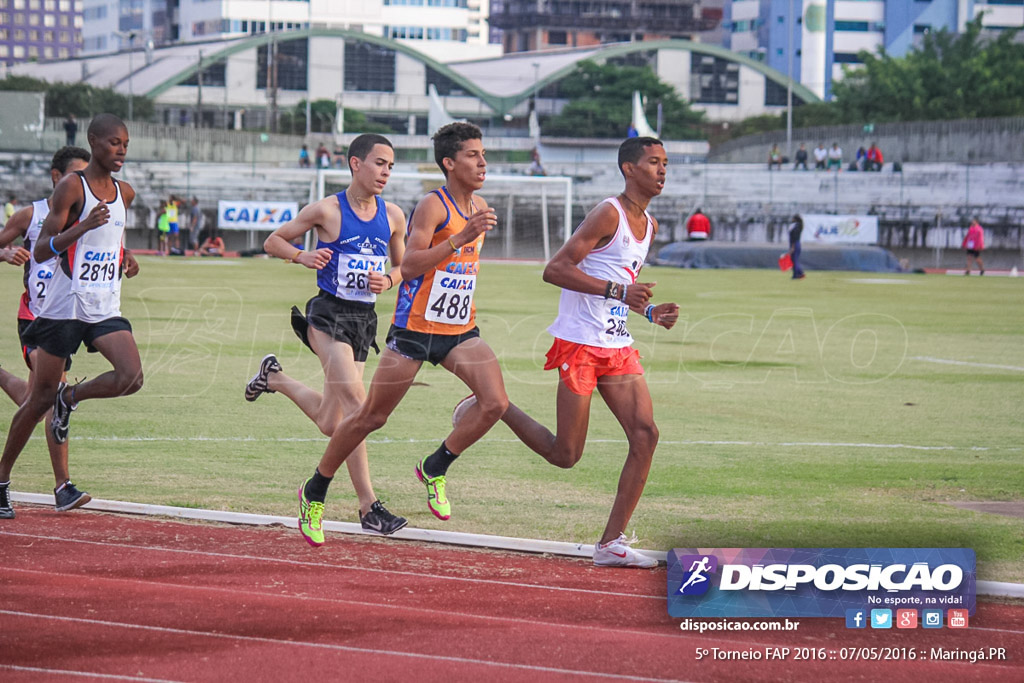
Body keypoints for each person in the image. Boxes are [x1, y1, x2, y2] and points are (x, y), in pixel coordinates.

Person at [472, 136, 680, 568]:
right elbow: (555, 270)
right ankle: (494, 406)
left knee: (646, 435)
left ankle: (611, 544)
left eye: (665, 163)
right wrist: (620, 290)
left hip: (617, 344)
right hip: (581, 344)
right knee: (565, 455)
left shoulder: (650, 225)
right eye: (654, 163)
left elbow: (619, 285)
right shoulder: (609, 213)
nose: (662, 171)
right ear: (629, 168)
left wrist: (649, 311)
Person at [294, 121, 503, 547]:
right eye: (472, 155)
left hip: (459, 328)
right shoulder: (432, 205)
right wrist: (461, 237)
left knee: (495, 402)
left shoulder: (479, 204)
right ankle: (314, 489)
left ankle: (435, 466)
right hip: (414, 329)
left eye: (484, 154)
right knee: (370, 416)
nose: (482, 162)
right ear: (449, 163)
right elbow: (409, 266)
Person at [249, 134, 409, 536]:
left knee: (329, 422)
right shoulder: (326, 210)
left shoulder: (393, 215)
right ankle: (368, 506)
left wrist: (389, 278)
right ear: (356, 164)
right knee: (359, 407)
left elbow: (408, 265)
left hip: (363, 321)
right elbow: (273, 240)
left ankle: (274, 378)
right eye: (379, 163)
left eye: (390, 166)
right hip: (328, 315)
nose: (386, 172)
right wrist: (301, 255)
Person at [0, 114, 144, 519]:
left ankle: (70, 397)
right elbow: (45, 248)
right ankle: (1, 479)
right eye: (114, 142)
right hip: (62, 310)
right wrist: (81, 227)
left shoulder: (125, 193)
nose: (121, 150)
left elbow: (113, 238)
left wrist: (126, 257)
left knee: (131, 377)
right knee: (36, 399)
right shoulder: (71, 187)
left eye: (126, 144)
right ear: (94, 141)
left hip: (102, 306)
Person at [787, 214, 805, 280]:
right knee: (794, 260)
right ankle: (797, 274)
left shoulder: (796, 227)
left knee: (794, 260)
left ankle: (798, 274)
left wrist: (792, 247)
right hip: (796, 244)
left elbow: (794, 237)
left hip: (794, 244)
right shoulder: (798, 226)